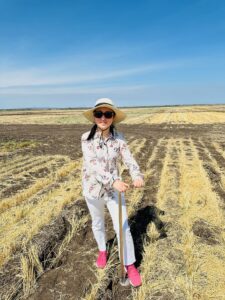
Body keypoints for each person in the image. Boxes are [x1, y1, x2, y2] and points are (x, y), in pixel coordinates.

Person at [81, 98, 144, 287]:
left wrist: (136, 174)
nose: (103, 118)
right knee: (98, 223)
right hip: (92, 189)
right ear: (94, 117)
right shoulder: (86, 138)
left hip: (113, 191)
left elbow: (128, 158)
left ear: (113, 117)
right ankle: (102, 250)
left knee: (122, 227)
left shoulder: (119, 138)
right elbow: (93, 166)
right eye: (99, 114)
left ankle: (129, 265)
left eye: (108, 114)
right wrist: (114, 180)